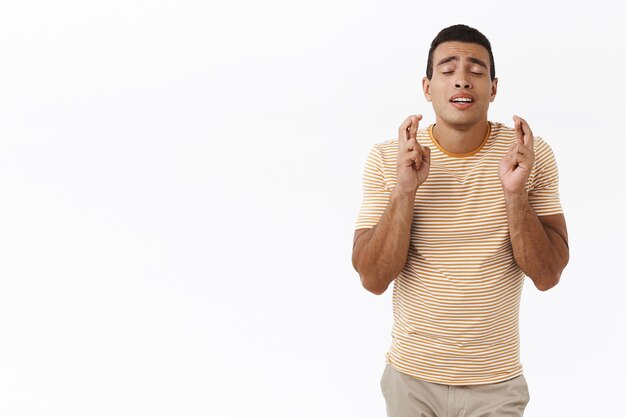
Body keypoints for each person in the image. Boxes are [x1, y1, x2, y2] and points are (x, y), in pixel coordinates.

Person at [351, 24, 569, 417]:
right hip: (410, 380)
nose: (462, 80)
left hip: (497, 384)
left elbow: (548, 274)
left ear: (494, 87)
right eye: (448, 70)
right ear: (427, 86)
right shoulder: (390, 157)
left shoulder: (528, 155)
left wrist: (515, 195)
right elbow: (373, 279)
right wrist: (405, 191)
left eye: (476, 70)